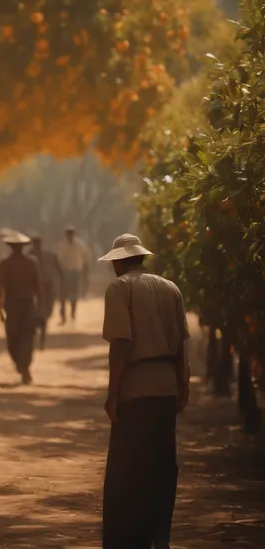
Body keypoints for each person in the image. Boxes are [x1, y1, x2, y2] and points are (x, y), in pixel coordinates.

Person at [99, 233, 190, 549]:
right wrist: (184, 384)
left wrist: (113, 394)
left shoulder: (120, 288)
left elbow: (121, 345)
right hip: (166, 387)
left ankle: (129, 540)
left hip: (136, 389)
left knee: (128, 470)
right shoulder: (170, 288)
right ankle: (160, 533)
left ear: (119, 262)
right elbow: (180, 345)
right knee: (162, 466)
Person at [0, 231, 42, 384]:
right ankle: (22, 365)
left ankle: (23, 366)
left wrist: (0, 307)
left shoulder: (10, 263)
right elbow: (38, 287)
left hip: (19, 304)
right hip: (18, 304)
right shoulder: (26, 262)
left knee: (20, 336)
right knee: (21, 337)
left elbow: (2, 288)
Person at [29, 231, 63, 350]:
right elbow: (60, 271)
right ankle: (41, 341)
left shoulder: (30, 256)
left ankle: (37, 340)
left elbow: (59, 271)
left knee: (38, 315)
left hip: (39, 288)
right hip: (44, 288)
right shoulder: (48, 255)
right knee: (42, 316)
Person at [56, 224, 89, 324]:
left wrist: (85, 274)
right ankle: (63, 316)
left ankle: (73, 313)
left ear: (73, 234)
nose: (69, 235)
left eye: (71, 233)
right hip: (64, 272)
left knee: (74, 295)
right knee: (62, 295)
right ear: (66, 235)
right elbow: (58, 260)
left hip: (76, 272)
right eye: (68, 234)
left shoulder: (80, 245)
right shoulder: (62, 246)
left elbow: (85, 259)